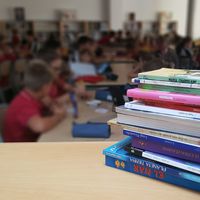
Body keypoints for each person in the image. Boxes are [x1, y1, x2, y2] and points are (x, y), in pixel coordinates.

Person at [3, 59, 66, 142]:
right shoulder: (24, 104)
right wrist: (59, 116)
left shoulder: (30, 95)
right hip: (19, 151)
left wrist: (50, 108)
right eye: (50, 85)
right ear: (44, 87)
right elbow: (40, 126)